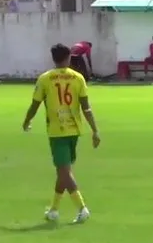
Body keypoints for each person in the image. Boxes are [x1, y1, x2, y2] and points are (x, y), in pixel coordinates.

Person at [23, 43, 101, 224]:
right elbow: (86, 108)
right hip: (74, 130)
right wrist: (95, 130)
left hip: (57, 131)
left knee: (64, 172)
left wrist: (27, 121)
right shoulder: (78, 78)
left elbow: (35, 104)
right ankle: (54, 210)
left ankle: (82, 208)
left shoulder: (45, 79)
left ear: (53, 58)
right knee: (63, 170)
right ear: (68, 58)